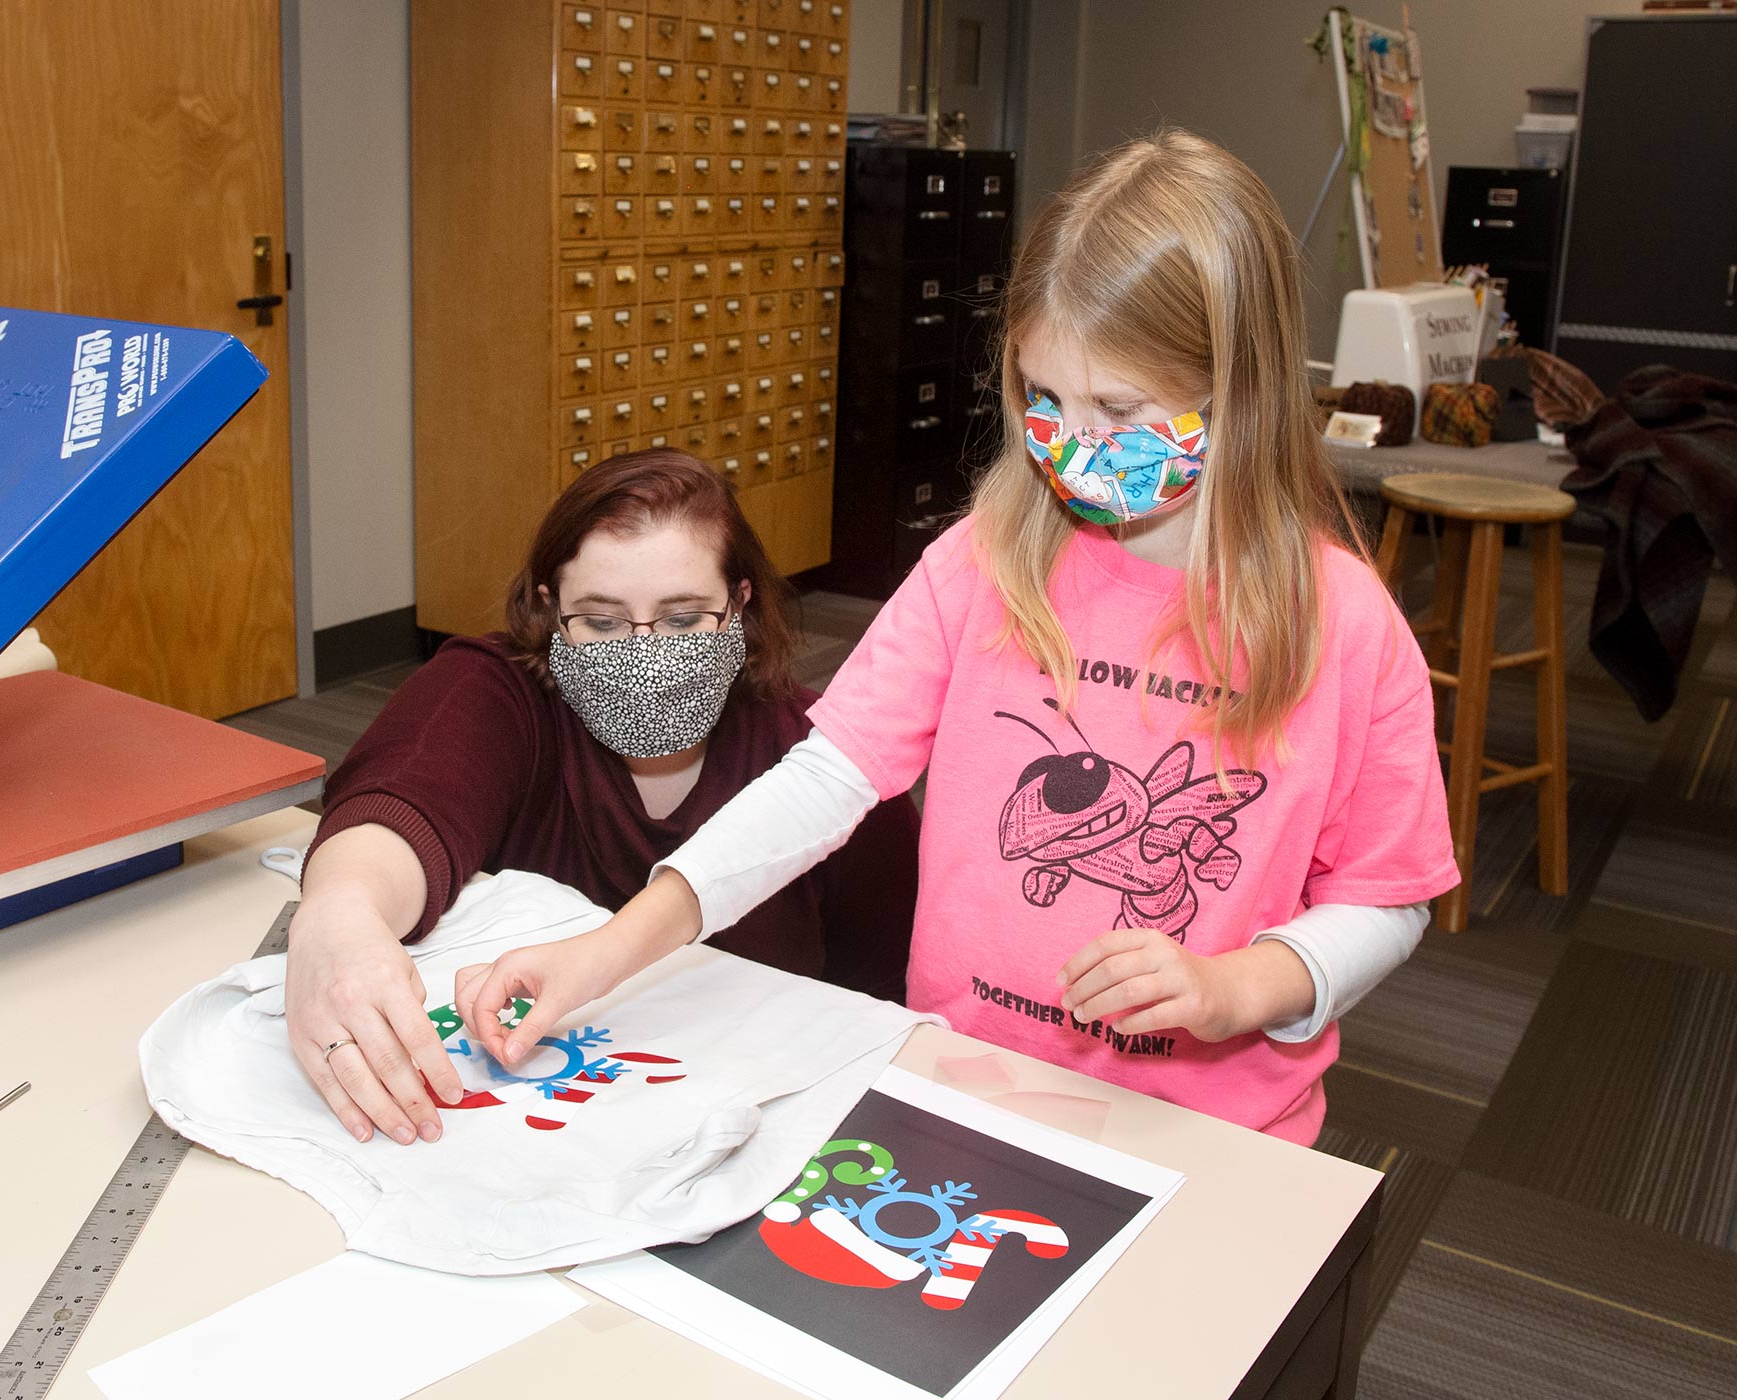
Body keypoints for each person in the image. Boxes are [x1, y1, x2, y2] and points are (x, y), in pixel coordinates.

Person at [455, 131, 1459, 1147]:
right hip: (965, 1076)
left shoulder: (1343, 623)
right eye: (1044, 398)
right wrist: (613, 947)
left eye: (1117, 407)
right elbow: (825, 782)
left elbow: (1389, 897)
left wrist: (1242, 984)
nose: (1072, 443)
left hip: (1209, 1128)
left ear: (1239, 388)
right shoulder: (985, 559)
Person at [286, 450, 923, 1147]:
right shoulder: (497, 694)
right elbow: (398, 810)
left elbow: (880, 1004)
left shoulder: (825, 764)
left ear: (739, 603)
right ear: (547, 607)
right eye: (602, 622)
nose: (644, 655)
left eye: (683, 621)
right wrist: (339, 919)